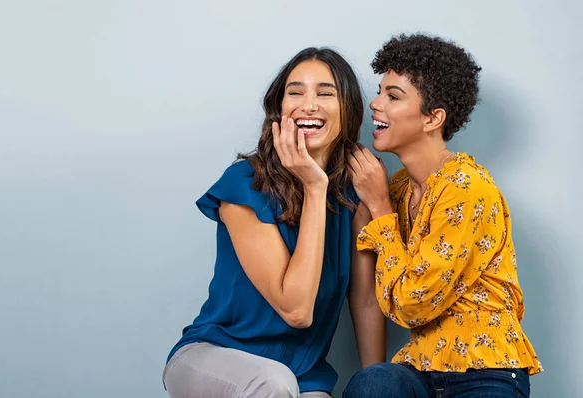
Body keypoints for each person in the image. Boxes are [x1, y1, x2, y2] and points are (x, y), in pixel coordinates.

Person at [163, 47, 386, 398]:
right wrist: (314, 187)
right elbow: (296, 310)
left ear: (348, 108)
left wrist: (377, 386)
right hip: (214, 357)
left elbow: (365, 300)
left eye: (325, 93)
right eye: (295, 92)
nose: (308, 104)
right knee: (273, 384)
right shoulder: (243, 183)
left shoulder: (352, 193)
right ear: (279, 110)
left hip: (304, 375)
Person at [343, 33, 543, 398]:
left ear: (433, 118)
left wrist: (379, 205)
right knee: (371, 383)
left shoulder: (467, 187)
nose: (375, 103)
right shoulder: (401, 188)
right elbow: (367, 292)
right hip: (422, 368)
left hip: (487, 372)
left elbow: (413, 305)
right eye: (380, 91)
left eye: (393, 96)